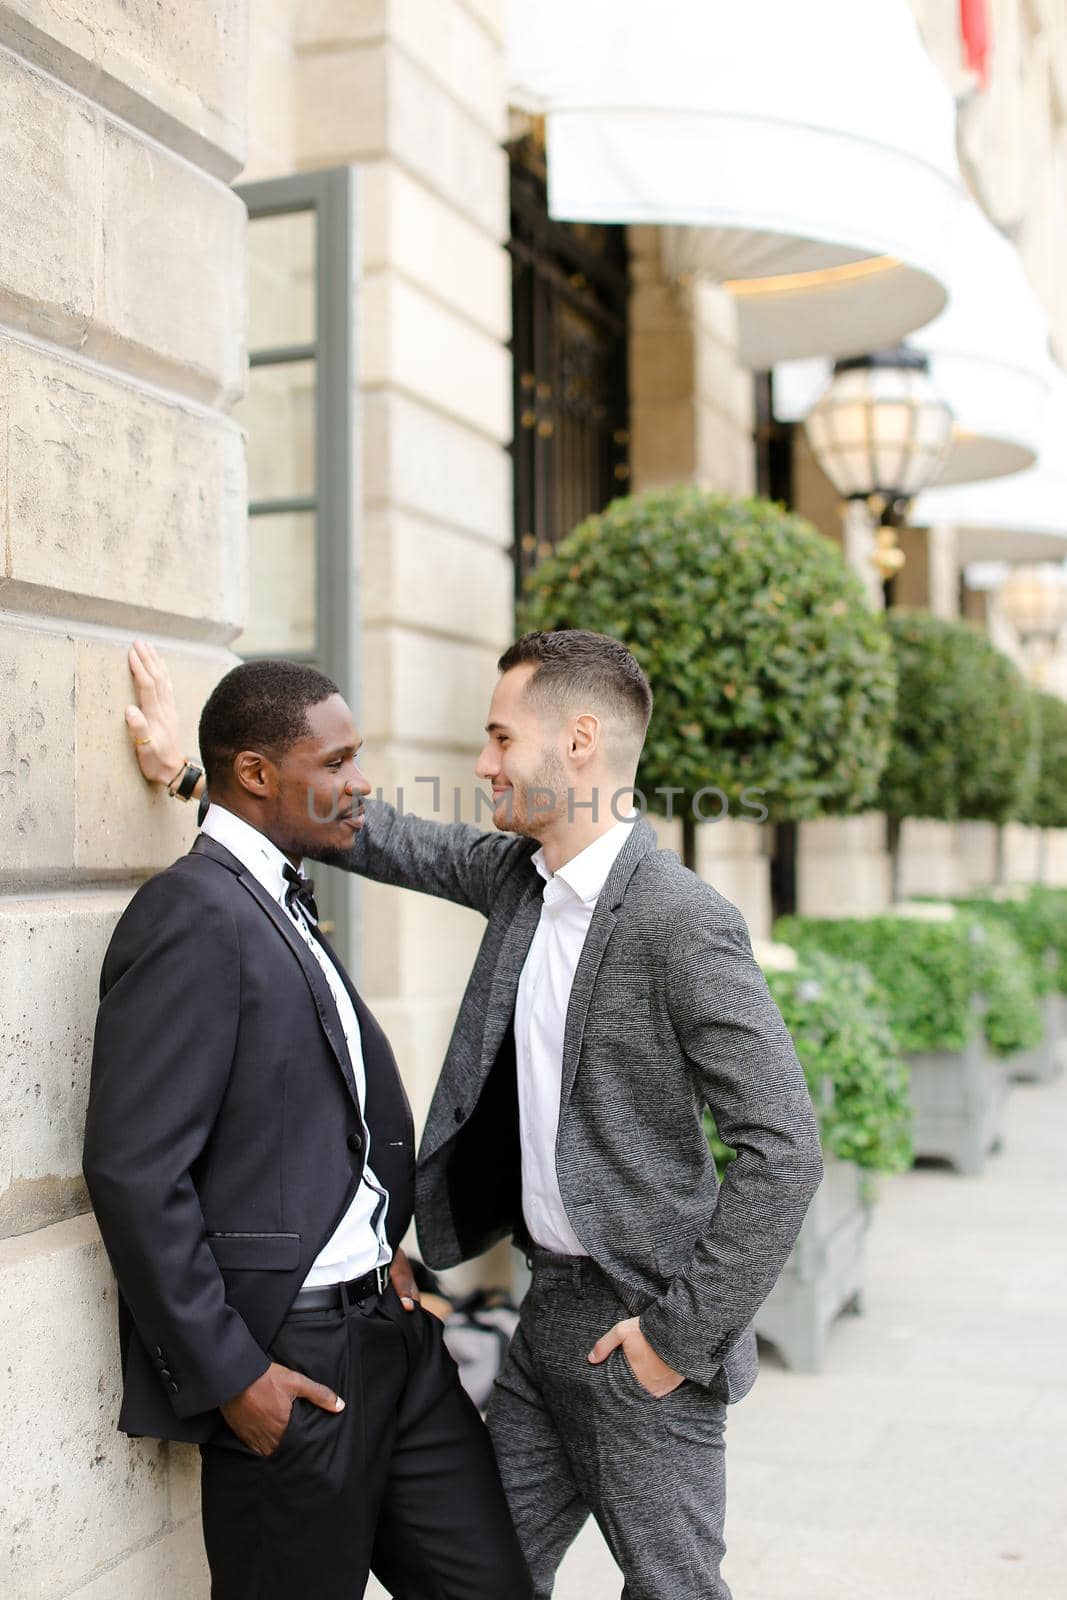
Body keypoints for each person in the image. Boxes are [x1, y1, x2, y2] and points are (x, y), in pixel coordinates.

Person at [126, 630, 824, 1600]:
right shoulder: (518, 881)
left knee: (673, 1588)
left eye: (499, 738)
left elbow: (784, 1146)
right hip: (543, 1321)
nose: (482, 763)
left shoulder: (678, 919)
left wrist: (676, 1338)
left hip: (641, 1327)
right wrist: (189, 780)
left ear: (578, 741)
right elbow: (361, 830)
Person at [84, 658, 532, 1600]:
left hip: (397, 1333)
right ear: (255, 774)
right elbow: (133, 1171)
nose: (361, 781)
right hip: (292, 1365)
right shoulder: (192, 913)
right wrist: (231, 1376)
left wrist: (379, 1244)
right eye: (338, 761)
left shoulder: (275, 894)